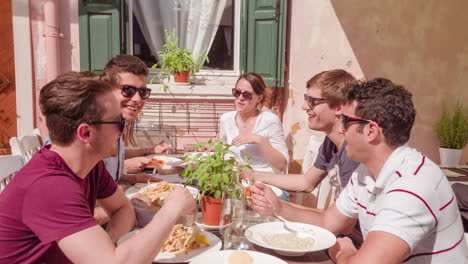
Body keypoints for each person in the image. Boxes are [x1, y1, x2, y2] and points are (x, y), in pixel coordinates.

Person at [250, 78, 468, 263]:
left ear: (371, 130)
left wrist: (345, 255)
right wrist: (277, 206)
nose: (341, 128)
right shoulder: (366, 172)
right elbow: (328, 221)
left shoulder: (412, 186)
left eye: (346, 121)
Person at [0, 71, 196, 263]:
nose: (123, 129)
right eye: (119, 123)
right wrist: (172, 208)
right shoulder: (50, 185)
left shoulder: (89, 165)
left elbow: (122, 209)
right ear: (85, 133)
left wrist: (104, 245)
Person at [243, 70, 359, 195]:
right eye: (306, 99)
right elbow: (306, 182)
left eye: (312, 101)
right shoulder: (331, 142)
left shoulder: (353, 151)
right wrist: (254, 175)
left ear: (339, 107)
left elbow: (344, 215)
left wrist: (278, 206)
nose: (304, 106)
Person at [102, 54, 171, 184]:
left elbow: (108, 174)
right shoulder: (91, 131)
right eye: (127, 90)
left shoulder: (116, 125)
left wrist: (132, 177)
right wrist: (126, 166)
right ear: (106, 90)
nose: (137, 99)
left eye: (143, 92)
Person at [219, 72, 289, 173]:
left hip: (263, 180)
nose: (240, 98)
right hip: (233, 178)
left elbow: (282, 165)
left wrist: (260, 140)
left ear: (259, 98)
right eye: (237, 92)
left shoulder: (270, 121)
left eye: (247, 95)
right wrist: (211, 147)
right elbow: (223, 148)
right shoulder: (226, 118)